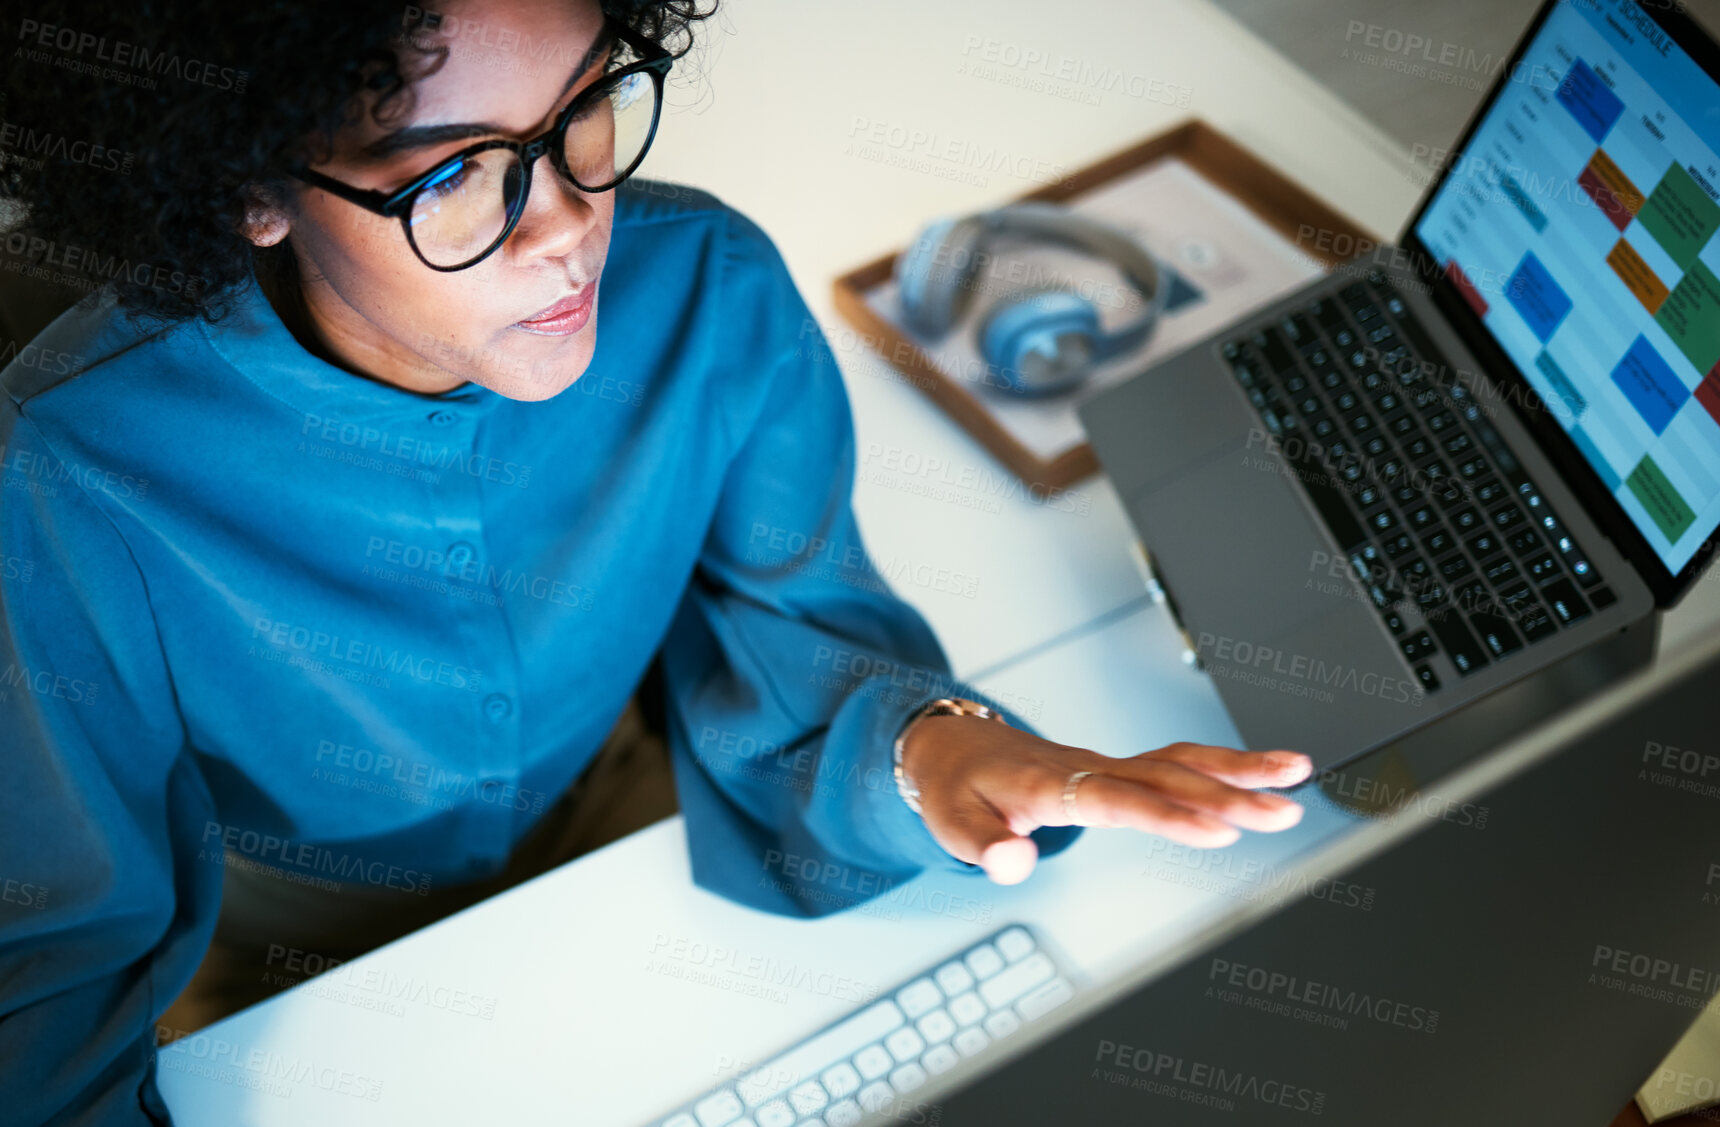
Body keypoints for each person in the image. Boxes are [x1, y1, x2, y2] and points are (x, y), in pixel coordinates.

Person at [0, 0, 1314, 1122]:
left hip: (630, 818)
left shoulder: (714, 289)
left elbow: (797, 630)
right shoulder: (68, 471)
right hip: (266, 933)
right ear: (251, 190)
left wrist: (937, 748)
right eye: (453, 174)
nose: (565, 225)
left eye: (587, 112)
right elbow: (58, 953)